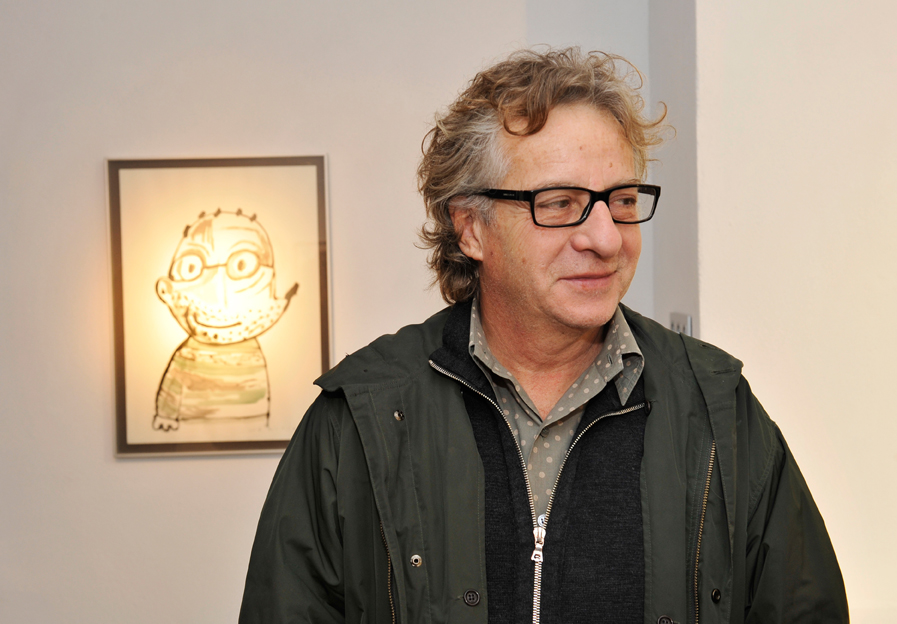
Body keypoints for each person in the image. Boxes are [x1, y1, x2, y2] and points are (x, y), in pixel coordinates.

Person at [239, 47, 848, 624]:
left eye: (622, 200)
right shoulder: (360, 418)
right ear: (472, 228)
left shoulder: (718, 410)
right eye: (559, 203)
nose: (606, 238)